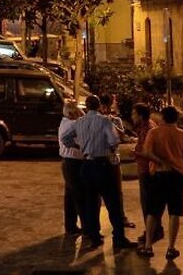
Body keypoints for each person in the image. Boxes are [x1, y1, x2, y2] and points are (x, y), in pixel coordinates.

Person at [60, 94, 135, 251]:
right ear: (99, 105)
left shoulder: (79, 122)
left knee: (90, 202)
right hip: (102, 164)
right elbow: (114, 141)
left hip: (86, 165)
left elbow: (65, 139)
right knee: (112, 202)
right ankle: (119, 238)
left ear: (86, 107)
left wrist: (80, 146)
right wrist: (108, 149)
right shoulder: (105, 121)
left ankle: (94, 237)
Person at [138, 105, 183, 261]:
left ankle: (148, 246)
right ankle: (171, 248)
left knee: (153, 212)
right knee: (175, 212)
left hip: (158, 176)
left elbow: (147, 152)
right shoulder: (182, 135)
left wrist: (160, 162)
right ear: (176, 118)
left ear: (162, 117)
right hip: (177, 176)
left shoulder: (153, 133)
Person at [131, 102, 165, 247]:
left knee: (149, 204)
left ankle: (152, 232)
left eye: (134, 114)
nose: (132, 117)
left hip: (147, 170)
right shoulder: (144, 128)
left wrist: (135, 153)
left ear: (140, 115)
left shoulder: (149, 128)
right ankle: (153, 230)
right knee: (148, 203)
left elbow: (148, 152)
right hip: (144, 169)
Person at [100, 95, 135, 230]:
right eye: (103, 107)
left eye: (107, 107)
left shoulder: (116, 120)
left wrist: (111, 123)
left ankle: (121, 218)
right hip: (101, 157)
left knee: (117, 191)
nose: (105, 110)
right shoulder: (96, 120)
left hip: (113, 158)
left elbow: (122, 136)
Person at [57, 101, 85, 236]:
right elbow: (85, 121)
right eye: (76, 112)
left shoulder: (65, 122)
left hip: (68, 162)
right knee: (79, 195)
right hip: (74, 163)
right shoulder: (72, 124)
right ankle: (86, 226)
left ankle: (71, 226)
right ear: (71, 113)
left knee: (70, 196)